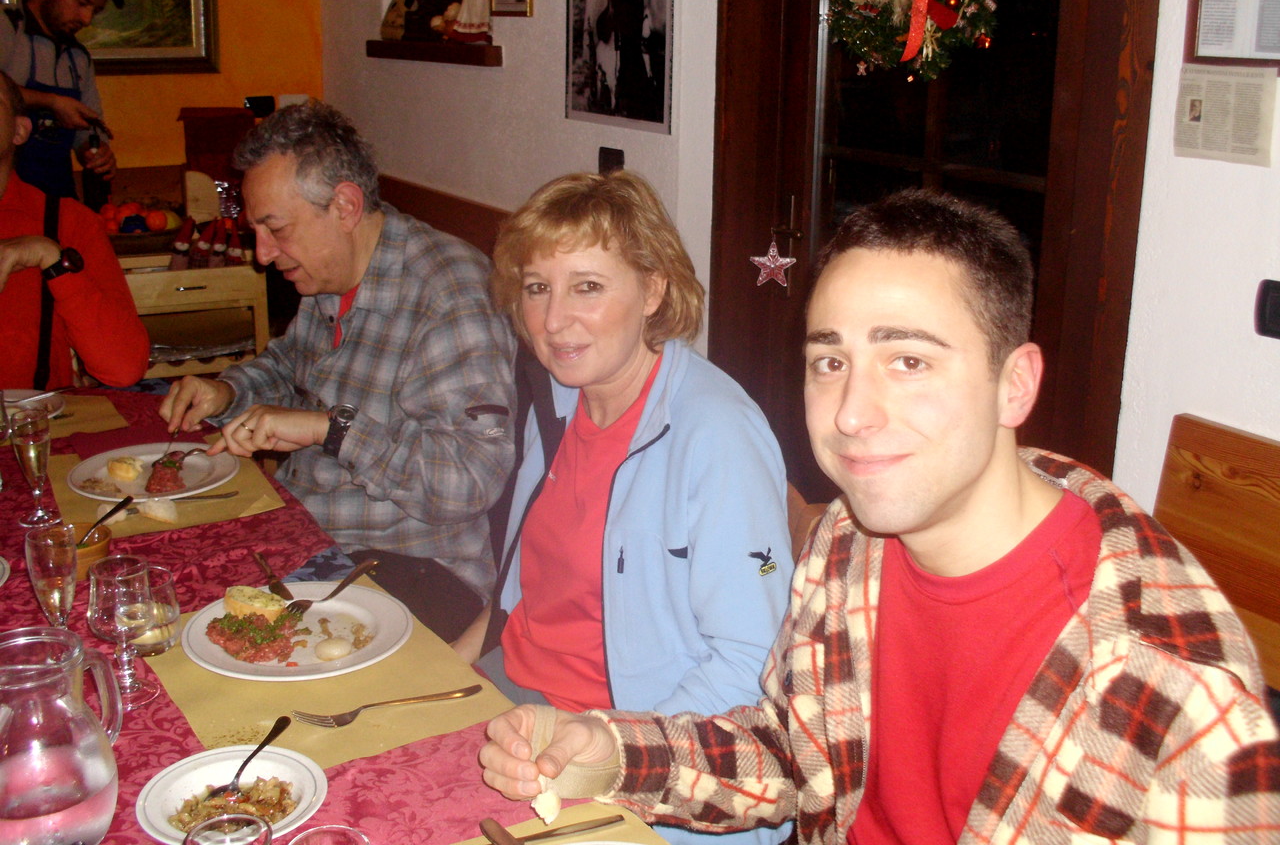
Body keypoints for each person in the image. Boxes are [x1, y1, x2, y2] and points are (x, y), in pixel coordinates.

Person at [480, 189, 1280, 843]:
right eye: (832, 361)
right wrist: (614, 753)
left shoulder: (1174, 696)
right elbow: (794, 756)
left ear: (1016, 384)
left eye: (909, 360)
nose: (853, 413)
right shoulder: (851, 545)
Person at [456, 171, 791, 845]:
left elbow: (752, 658)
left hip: (642, 749)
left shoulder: (716, 436)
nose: (553, 321)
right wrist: (446, 675)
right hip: (520, 700)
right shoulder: (560, 397)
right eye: (536, 288)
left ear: (654, 289)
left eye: (587, 287)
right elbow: (523, 591)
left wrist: (609, 747)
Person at [159, 101, 516, 640]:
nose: (261, 254)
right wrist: (225, 389)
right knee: (161, 596)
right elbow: (287, 367)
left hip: (414, 574)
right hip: (311, 543)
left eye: (276, 228)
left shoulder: (449, 295)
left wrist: (334, 429)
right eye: (257, 229)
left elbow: (466, 483)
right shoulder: (330, 275)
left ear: (345, 206)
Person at [0, 70, 147, 390]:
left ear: (19, 130)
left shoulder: (66, 221)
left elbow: (124, 367)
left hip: (35, 431)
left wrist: (50, 256)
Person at [0, 0, 121, 202]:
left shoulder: (79, 58)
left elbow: (87, 132)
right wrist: (52, 102)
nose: (87, 19)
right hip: (6, 206)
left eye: (95, 11)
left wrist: (96, 152)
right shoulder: (7, 25)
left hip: (59, 204)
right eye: (81, 3)